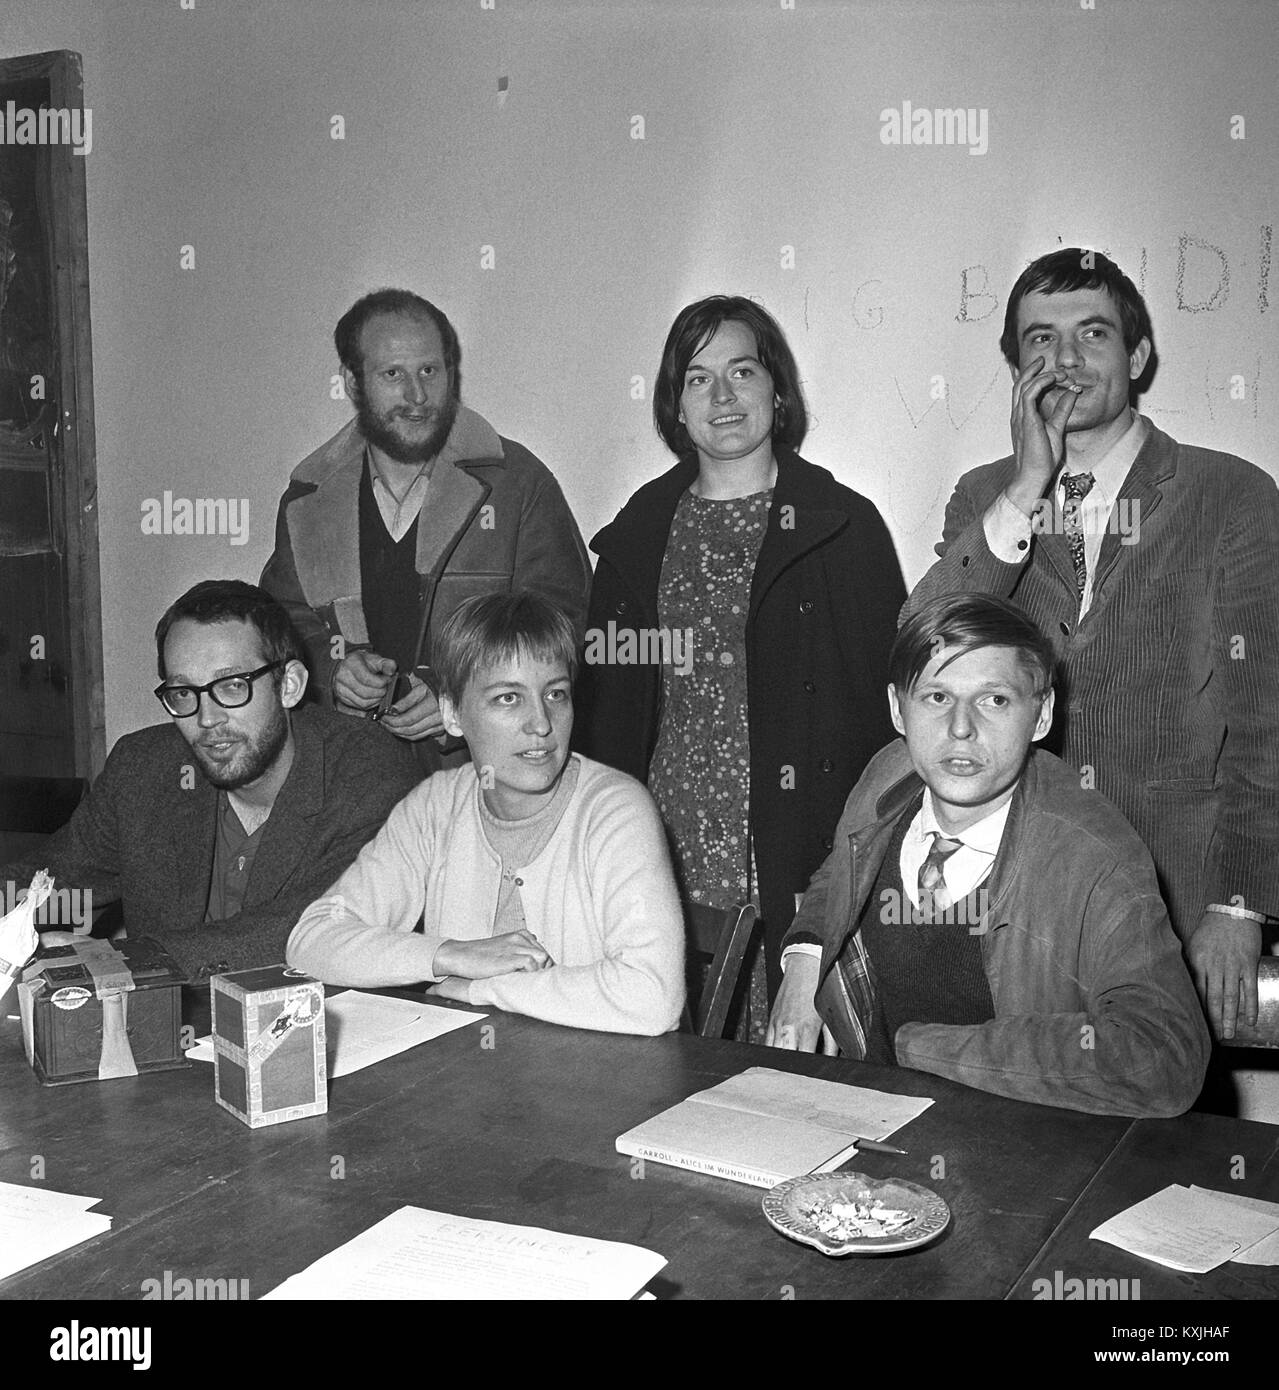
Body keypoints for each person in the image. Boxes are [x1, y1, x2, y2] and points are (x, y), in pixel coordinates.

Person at [907, 248, 1279, 1041]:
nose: (1064, 360)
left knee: (1158, 1135)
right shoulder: (985, 496)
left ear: (1137, 356)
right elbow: (922, 653)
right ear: (1014, 367)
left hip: (1181, 894)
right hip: (1021, 898)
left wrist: (1237, 904)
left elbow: (1266, 719)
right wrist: (1024, 487)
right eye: (1039, 340)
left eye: (1091, 335)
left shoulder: (1231, 495)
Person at [574, 295, 905, 1033]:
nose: (722, 397)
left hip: (797, 840)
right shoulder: (635, 537)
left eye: (741, 370)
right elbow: (602, 717)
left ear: (775, 389)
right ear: (675, 406)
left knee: (786, 1077)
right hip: (664, 839)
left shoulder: (842, 528)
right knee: (663, 1057)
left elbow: (885, 722)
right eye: (697, 379)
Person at [765, 594, 1209, 1119]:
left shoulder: (1094, 857)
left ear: (1041, 715)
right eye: (935, 697)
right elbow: (840, 871)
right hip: (868, 1124)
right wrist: (803, 965)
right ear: (896, 710)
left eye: (994, 700)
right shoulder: (888, 776)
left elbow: (1162, 1060)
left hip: (1021, 1144)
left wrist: (921, 1050)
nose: (959, 728)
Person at [287, 593, 685, 1036]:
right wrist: (450, 955)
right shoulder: (436, 806)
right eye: (508, 699)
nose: (541, 723)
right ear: (452, 714)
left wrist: (479, 988)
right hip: (476, 1083)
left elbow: (653, 997)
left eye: (555, 693)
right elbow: (311, 940)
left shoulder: (615, 809)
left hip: (604, 1090)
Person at [1, 581, 419, 978]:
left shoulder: (372, 773)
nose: (206, 719)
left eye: (233, 686)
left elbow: (301, 931)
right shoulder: (144, 768)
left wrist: (116, 962)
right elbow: (51, 883)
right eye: (184, 693)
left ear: (289, 685)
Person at [260, 288, 591, 773]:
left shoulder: (519, 483)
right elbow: (280, 625)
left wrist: (459, 694)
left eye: (430, 371)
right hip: (347, 789)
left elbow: (563, 626)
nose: (417, 396)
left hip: (485, 786)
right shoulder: (307, 499)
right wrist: (330, 673)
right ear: (352, 382)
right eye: (393, 374)